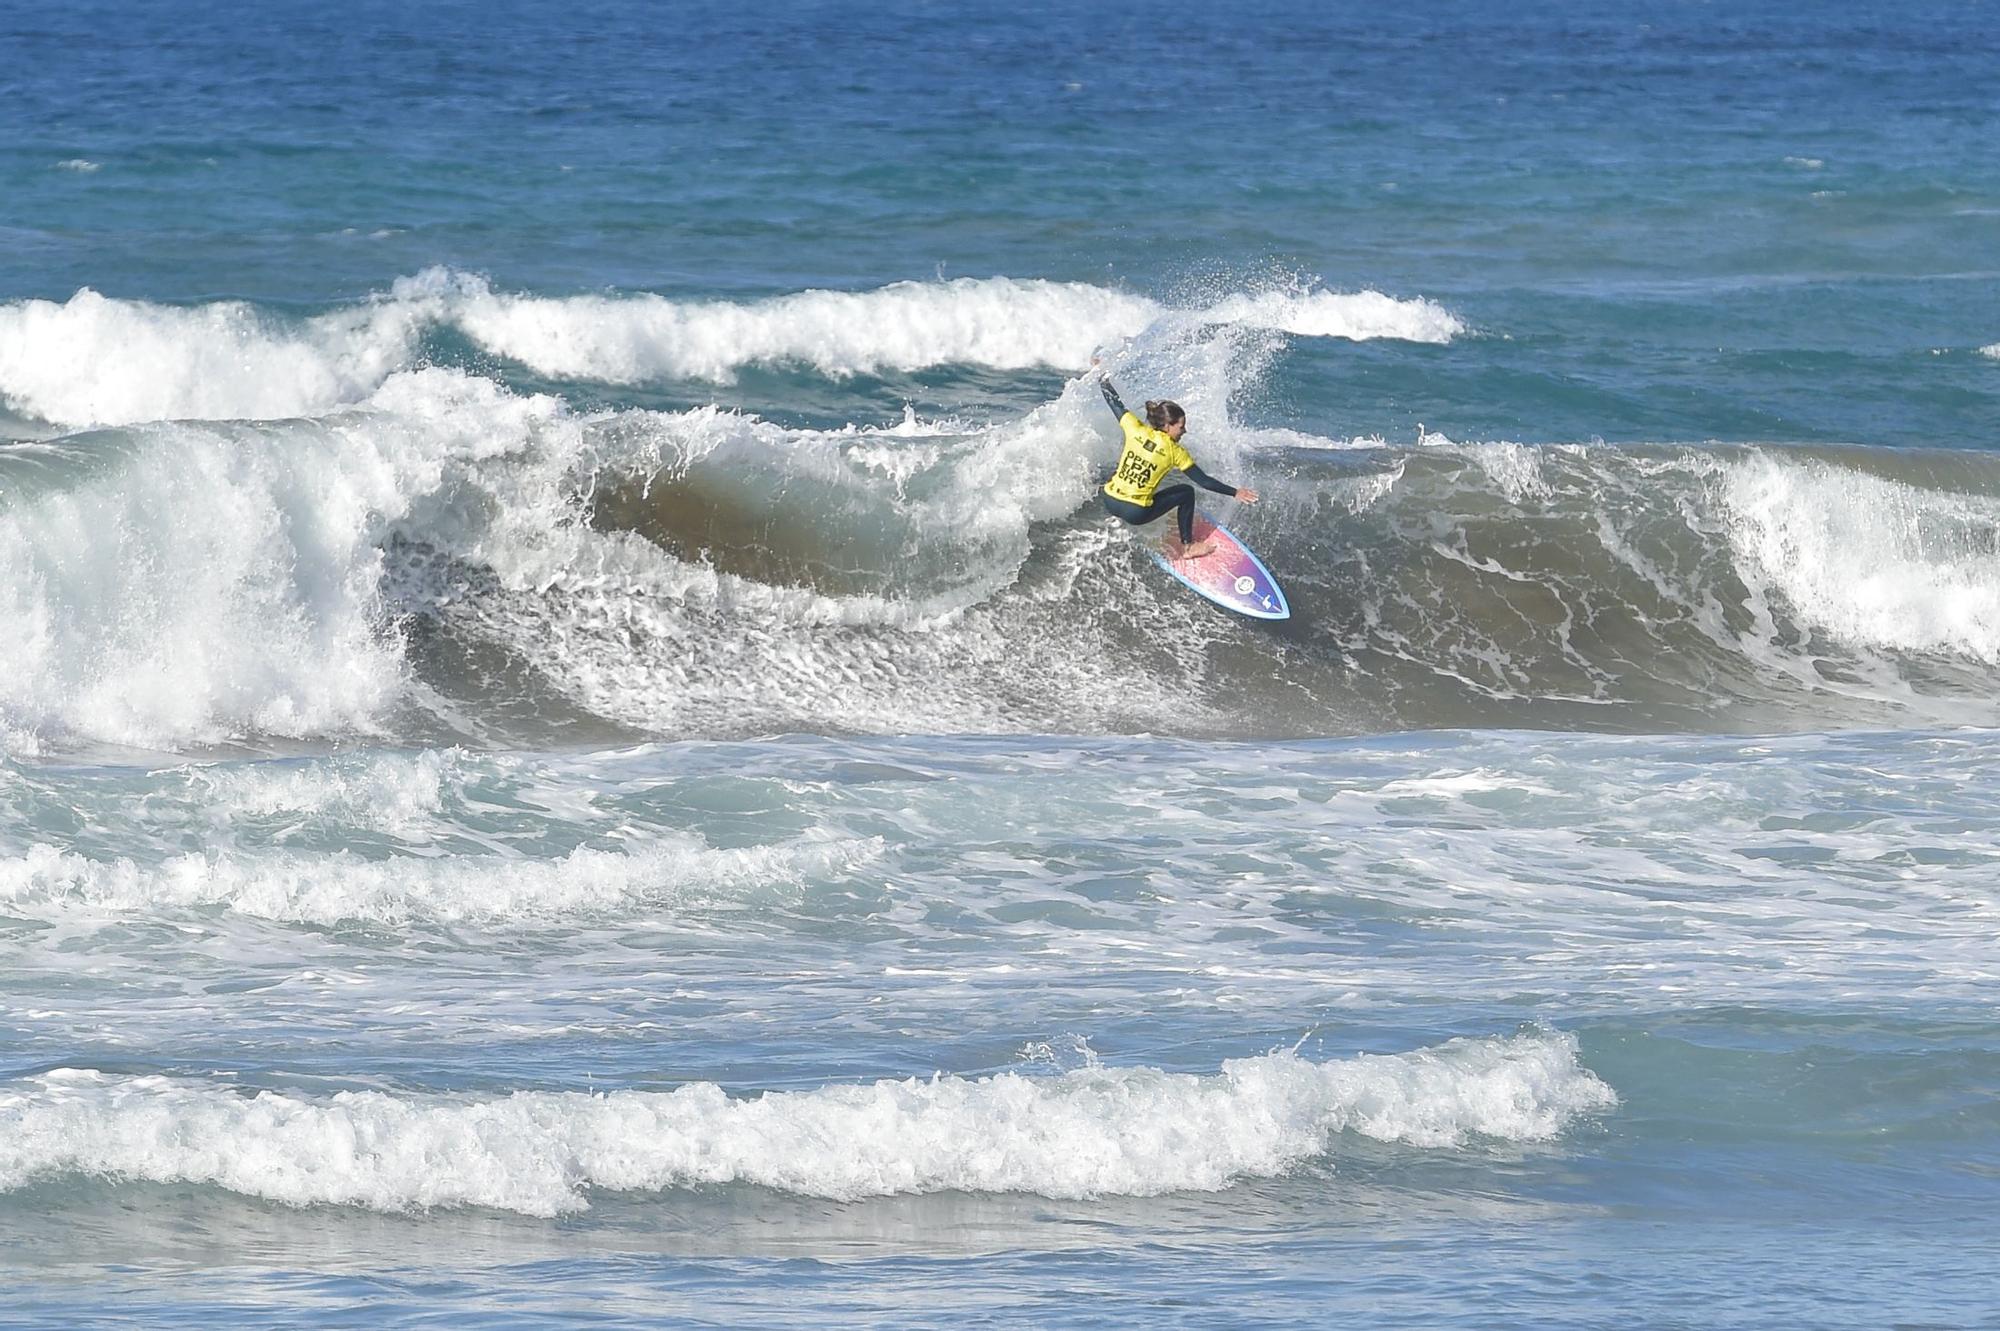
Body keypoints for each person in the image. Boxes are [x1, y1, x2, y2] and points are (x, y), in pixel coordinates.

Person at [1093, 363, 1257, 559]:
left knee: (1121, 469)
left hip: (1109, 500)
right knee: (1186, 492)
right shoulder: (1175, 452)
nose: (1184, 431)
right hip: (1135, 513)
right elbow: (1203, 481)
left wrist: (1101, 375)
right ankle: (1189, 547)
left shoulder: (1134, 428)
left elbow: (1114, 403)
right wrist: (1235, 492)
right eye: (1181, 427)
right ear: (1167, 426)